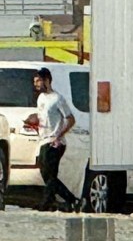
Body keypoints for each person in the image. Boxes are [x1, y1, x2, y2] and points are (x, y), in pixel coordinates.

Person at [30, 67, 80, 212]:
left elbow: (70, 119)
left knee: (50, 175)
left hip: (55, 141)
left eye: (38, 81)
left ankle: (46, 203)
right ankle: (71, 200)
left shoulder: (57, 99)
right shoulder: (41, 98)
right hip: (43, 139)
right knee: (45, 173)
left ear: (47, 80)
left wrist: (59, 134)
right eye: (35, 81)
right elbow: (42, 117)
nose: (36, 84)